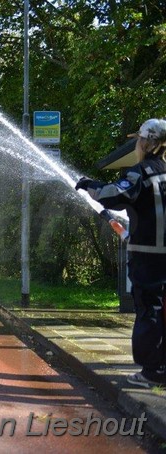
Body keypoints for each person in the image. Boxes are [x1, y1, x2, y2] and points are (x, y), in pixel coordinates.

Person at [76, 118, 166, 388]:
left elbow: (113, 195)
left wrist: (89, 184)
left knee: (149, 311)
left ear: (147, 143)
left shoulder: (141, 172)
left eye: (138, 140)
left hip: (148, 258)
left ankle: (152, 372)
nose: (137, 144)